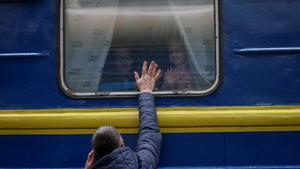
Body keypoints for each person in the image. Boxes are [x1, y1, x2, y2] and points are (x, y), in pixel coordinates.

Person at [85, 61, 162, 169]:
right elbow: (149, 135)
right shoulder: (141, 165)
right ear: (122, 146)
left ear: (92, 156)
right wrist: (146, 92)